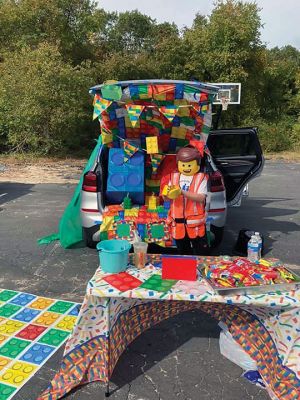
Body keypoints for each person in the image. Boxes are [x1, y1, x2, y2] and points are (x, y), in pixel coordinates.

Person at [161, 145, 208, 255]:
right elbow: (167, 198)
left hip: (195, 225)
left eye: (189, 164)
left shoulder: (201, 178)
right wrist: (166, 195)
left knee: (201, 252)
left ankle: (201, 271)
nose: (186, 167)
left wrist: (182, 192)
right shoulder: (174, 177)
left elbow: (201, 197)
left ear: (197, 164)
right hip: (178, 224)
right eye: (183, 164)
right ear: (178, 164)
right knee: (183, 252)